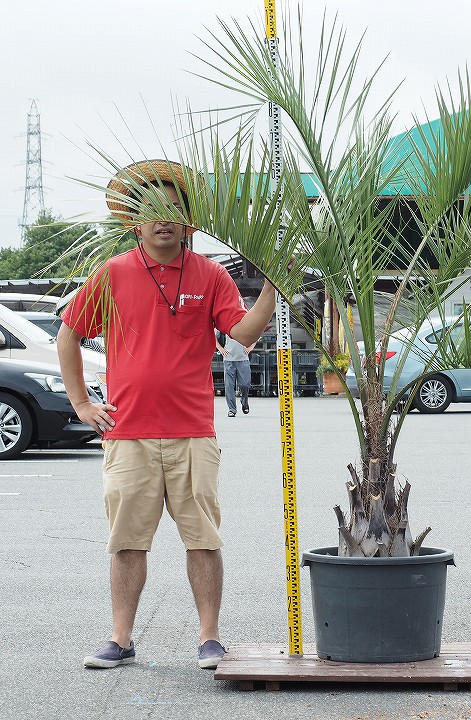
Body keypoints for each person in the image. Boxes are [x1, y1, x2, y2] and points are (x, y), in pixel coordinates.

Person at [57, 159, 277, 671]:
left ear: (187, 220)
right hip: (128, 432)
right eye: (151, 210)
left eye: (173, 209)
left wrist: (271, 289)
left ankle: (209, 638)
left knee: (202, 538)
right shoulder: (112, 273)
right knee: (128, 541)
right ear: (136, 222)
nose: (163, 219)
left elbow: (240, 335)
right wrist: (82, 404)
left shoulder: (210, 274)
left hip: (192, 431)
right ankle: (121, 638)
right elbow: (70, 332)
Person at [216, 330, 256, 416]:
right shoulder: (224, 326)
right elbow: (214, 337)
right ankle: (232, 409)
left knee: (245, 384)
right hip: (228, 360)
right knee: (229, 386)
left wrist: (250, 348)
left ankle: (244, 401)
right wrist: (220, 348)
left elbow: (255, 334)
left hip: (243, 359)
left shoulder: (244, 324)